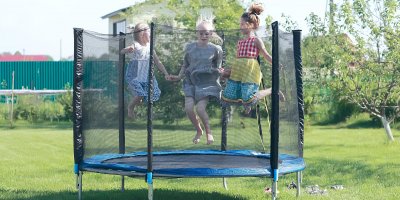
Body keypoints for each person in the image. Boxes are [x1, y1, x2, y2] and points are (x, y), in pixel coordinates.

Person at [169, 20, 223, 145]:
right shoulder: (190, 48)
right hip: (191, 82)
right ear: (196, 33)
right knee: (188, 108)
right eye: (201, 33)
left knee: (200, 108)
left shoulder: (216, 49)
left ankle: (209, 132)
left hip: (206, 83)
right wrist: (178, 77)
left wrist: (221, 73)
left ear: (211, 34)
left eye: (207, 33)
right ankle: (199, 130)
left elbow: (219, 68)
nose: (204, 36)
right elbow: (185, 64)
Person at [221, 3, 275, 112]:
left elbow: (265, 54)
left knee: (249, 98)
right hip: (239, 72)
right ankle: (246, 104)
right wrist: (228, 70)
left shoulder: (256, 40)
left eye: (242, 24)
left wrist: (276, 63)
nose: (240, 26)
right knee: (229, 97)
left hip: (250, 71)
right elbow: (238, 62)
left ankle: (272, 90)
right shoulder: (240, 42)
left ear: (249, 25)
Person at [122, 22, 170, 119]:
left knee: (144, 97)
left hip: (145, 76)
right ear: (142, 34)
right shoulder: (136, 45)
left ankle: (136, 97)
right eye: (149, 33)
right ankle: (130, 107)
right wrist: (128, 50)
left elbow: (158, 62)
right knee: (140, 95)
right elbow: (122, 51)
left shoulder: (150, 47)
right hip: (135, 75)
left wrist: (166, 73)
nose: (152, 36)